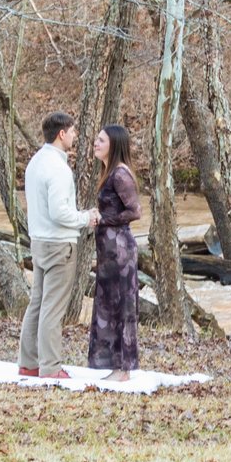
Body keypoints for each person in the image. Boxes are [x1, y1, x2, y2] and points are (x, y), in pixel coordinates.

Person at [19, 111, 96, 379]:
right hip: (59, 245)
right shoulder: (59, 169)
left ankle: (28, 362)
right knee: (52, 309)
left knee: (37, 304)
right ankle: (50, 367)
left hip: (38, 242)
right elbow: (60, 212)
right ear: (61, 134)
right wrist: (86, 218)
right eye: (72, 132)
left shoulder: (35, 163)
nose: (75, 136)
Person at [86, 124, 142, 380]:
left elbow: (135, 211)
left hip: (120, 251)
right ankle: (115, 366)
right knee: (108, 306)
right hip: (108, 251)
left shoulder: (120, 174)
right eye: (96, 140)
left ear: (114, 144)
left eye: (101, 140)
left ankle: (123, 369)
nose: (96, 144)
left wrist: (104, 219)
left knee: (121, 306)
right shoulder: (108, 172)